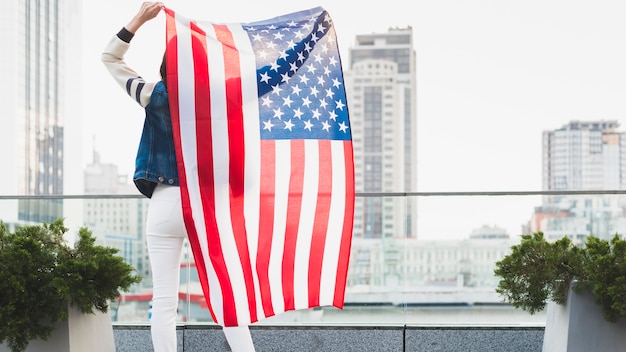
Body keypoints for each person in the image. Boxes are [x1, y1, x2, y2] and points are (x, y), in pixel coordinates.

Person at [101, 2, 256, 351]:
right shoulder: (222, 96)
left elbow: (110, 59)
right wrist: (307, 40)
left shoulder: (154, 95)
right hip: (205, 204)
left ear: (166, 66)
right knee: (225, 295)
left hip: (165, 204)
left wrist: (139, 19)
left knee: (164, 301)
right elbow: (272, 76)